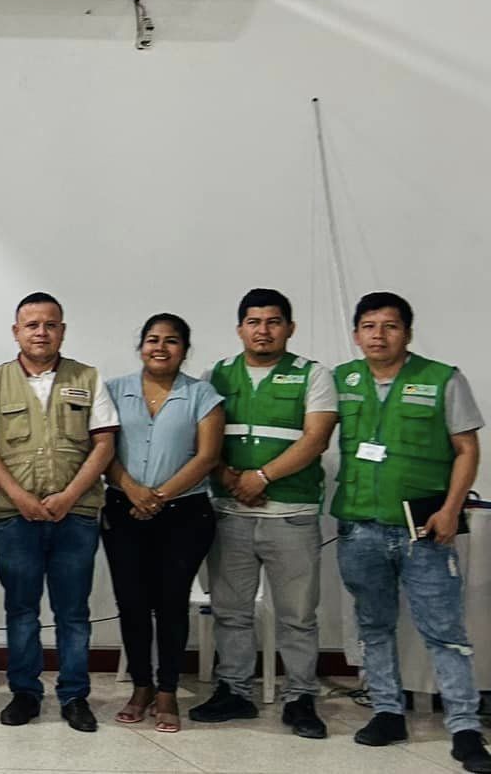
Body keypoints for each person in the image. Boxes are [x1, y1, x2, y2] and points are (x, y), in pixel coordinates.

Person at [330, 292, 491, 772]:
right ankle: (387, 711)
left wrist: (450, 508)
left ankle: (464, 729)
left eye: (390, 326)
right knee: (373, 626)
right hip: (359, 526)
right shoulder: (343, 380)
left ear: (408, 333)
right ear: (356, 333)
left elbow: (466, 449)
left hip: (425, 528)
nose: (379, 335)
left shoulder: (442, 378)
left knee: (445, 632)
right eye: (369, 326)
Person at [189, 288, 334, 738]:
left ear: (290, 328)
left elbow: (316, 439)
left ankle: (301, 698)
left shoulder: (313, 375)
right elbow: (202, 437)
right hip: (230, 511)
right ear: (240, 329)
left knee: (296, 614)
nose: (263, 330)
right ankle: (234, 691)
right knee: (231, 611)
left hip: (291, 515)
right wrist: (232, 478)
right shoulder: (216, 375)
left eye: (273, 322)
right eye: (254, 322)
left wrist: (262, 477)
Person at [0, 292, 117, 733]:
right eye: (31, 325)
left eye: (50, 324)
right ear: (16, 331)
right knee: (21, 610)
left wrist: (70, 496)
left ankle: (75, 697)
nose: (41, 332)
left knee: (73, 612)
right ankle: (25, 694)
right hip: (16, 516)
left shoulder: (88, 378)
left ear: (63, 331)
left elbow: (104, 443)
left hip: (76, 515)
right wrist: (20, 497)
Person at [101, 314, 223, 733]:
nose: (160, 347)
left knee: (171, 603)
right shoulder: (115, 391)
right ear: (140, 346)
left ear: (184, 349)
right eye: (152, 339)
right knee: (132, 603)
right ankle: (141, 686)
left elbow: (206, 456)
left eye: (171, 341)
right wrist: (132, 490)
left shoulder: (202, 394)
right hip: (124, 509)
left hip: (184, 516)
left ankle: (168, 689)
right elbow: (101, 449)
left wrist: (158, 497)